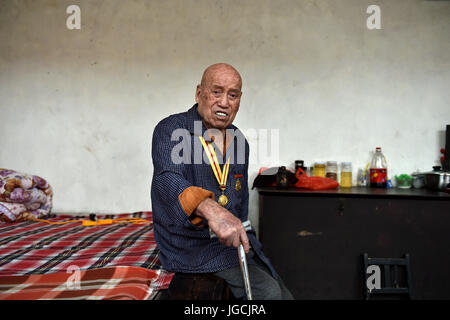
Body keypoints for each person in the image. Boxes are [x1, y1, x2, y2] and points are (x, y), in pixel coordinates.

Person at [151, 63, 293, 300]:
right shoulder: (173, 129)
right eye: (216, 92)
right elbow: (167, 179)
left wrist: (249, 244)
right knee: (269, 293)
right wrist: (212, 210)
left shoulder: (239, 141)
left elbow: (241, 208)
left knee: (284, 294)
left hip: (232, 246)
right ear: (199, 93)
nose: (225, 102)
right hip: (189, 247)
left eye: (233, 95)